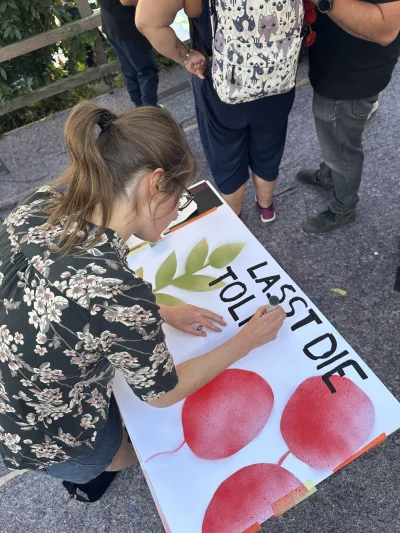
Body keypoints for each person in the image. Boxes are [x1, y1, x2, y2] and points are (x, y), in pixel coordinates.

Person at [0, 102, 286, 488]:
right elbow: (162, 394)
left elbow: (67, 289)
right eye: (179, 199)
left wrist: (159, 310)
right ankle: (102, 468)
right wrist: (246, 340)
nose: (173, 216)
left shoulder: (38, 205)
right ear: (155, 185)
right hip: (43, 435)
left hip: (11, 392)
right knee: (121, 451)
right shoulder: (116, 294)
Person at [128, 0, 301, 223]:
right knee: (269, 148)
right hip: (278, 79)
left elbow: (147, 21)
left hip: (221, 87)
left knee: (227, 157)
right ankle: (266, 207)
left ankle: (236, 219)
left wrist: (186, 55)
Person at [297, 0, 400, 234]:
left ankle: (344, 206)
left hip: (353, 74)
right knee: (332, 132)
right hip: (337, 64)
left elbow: (385, 30)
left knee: (342, 142)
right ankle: (329, 175)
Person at [98, 0, 159, 107]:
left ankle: (139, 107)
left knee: (130, 70)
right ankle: (150, 112)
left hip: (111, 22)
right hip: (128, 23)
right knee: (146, 71)